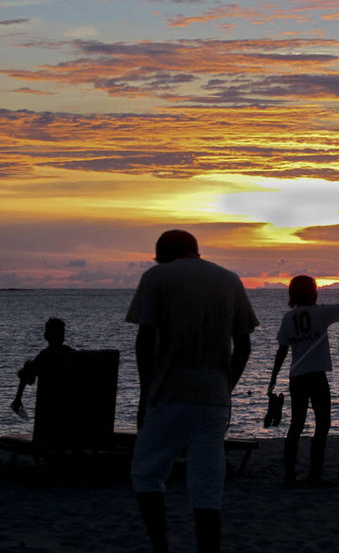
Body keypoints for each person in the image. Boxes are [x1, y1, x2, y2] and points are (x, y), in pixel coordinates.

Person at [127, 230, 258, 553]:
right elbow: (243, 345)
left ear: (164, 254)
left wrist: (146, 394)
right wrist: (226, 387)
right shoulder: (230, 280)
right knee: (207, 487)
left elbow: (144, 342)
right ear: (194, 251)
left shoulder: (157, 277)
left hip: (168, 394)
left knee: (146, 475)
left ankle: (161, 547)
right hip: (213, 398)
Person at [267, 275, 339, 487]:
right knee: (323, 424)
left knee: (296, 425)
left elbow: (282, 350)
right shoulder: (320, 313)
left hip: (297, 376)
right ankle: (314, 475)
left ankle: (289, 475)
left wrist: (273, 379)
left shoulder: (288, 318)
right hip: (316, 375)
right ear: (313, 291)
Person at [10, 317, 73, 416]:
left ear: (46, 336)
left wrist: (18, 398)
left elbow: (26, 377)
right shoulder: (72, 355)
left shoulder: (44, 357)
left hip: (47, 407)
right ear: (63, 336)